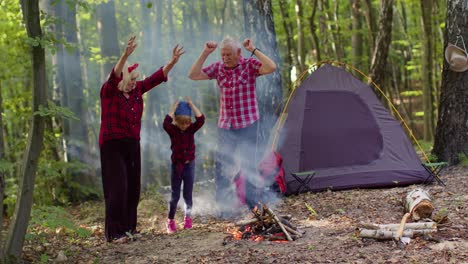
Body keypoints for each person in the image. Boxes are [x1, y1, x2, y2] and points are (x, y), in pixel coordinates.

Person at [99, 36, 184, 242]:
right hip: (112, 145)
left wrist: (171, 63)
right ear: (120, 81)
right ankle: (114, 233)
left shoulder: (137, 91)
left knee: (133, 188)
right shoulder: (109, 92)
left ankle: (129, 229)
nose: (133, 84)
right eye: (130, 81)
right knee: (117, 188)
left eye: (135, 80)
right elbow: (114, 75)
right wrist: (125, 55)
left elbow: (155, 79)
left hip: (131, 144)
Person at [188, 36, 276, 217]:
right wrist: (206, 53)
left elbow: (271, 67)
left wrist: (254, 49)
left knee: (249, 165)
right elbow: (193, 74)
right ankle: (224, 207)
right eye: (222, 54)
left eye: (228, 54)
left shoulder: (249, 65)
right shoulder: (218, 68)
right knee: (222, 166)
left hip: (248, 124)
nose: (225, 58)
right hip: (226, 127)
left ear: (238, 53)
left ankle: (253, 205)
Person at [163, 96, 205, 234]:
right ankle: (170, 220)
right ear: (177, 122)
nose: (184, 126)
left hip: (189, 166)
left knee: (188, 194)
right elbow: (165, 123)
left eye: (187, 123)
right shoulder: (173, 130)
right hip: (177, 166)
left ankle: (188, 218)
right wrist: (173, 109)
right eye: (181, 123)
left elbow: (201, 119)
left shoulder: (191, 129)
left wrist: (192, 105)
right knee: (175, 195)